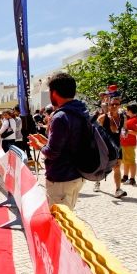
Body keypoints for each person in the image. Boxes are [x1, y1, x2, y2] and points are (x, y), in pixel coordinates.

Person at [40, 73, 88, 210]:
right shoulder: (81, 111)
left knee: (58, 223)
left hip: (61, 177)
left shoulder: (61, 116)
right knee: (67, 216)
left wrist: (41, 146)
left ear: (53, 93)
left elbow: (52, 152)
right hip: (77, 174)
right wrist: (47, 142)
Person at [96, 95, 127, 198]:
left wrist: (125, 133)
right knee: (102, 166)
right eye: (112, 104)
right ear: (108, 105)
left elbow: (124, 130)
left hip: (117, 146)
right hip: (105, 146)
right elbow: (95, 130)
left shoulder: (123, 117)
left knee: (117, 167)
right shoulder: (103, 118)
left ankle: (118, 190)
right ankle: (97, 181)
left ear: (120, 106)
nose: (114, 106)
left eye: (116, 104)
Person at [120, 103, 137, 186]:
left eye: (127, 110)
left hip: (129, 143)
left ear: (130, 111)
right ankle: (125, 176)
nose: (126, 111)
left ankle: (132, 179)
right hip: (125, 143)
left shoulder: (135, 120)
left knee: (131, 161)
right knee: (125, 161)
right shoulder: (130, 119)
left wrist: (128, 131)